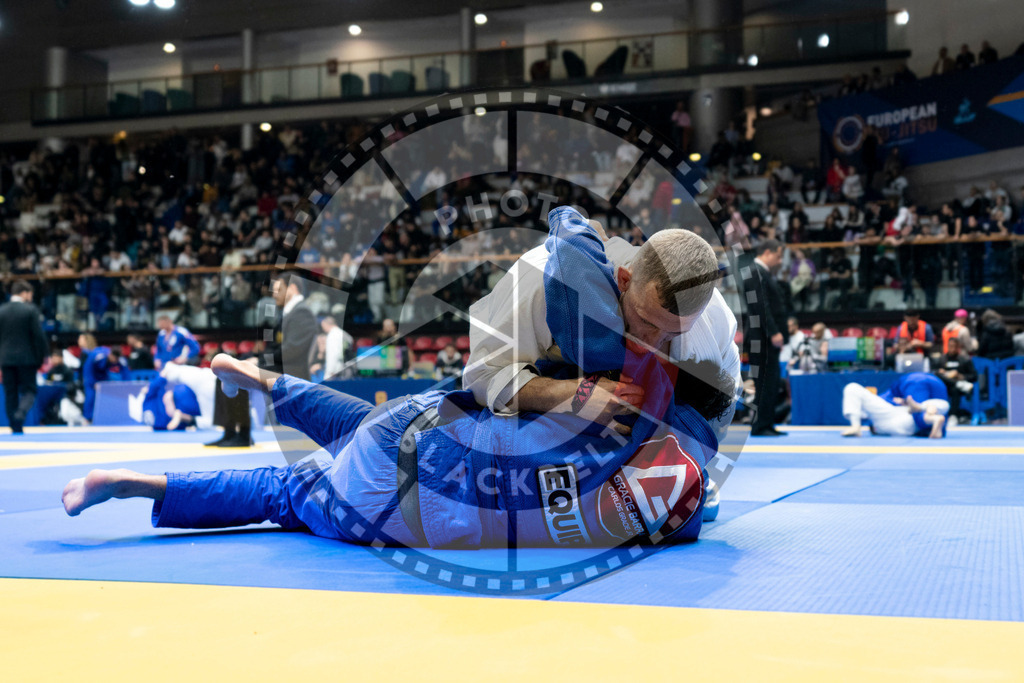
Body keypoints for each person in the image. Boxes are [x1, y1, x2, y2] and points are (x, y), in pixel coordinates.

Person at [63, 349, 730, 549]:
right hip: (410, 508)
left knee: (362, 423)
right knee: (281, 487)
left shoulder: (612, 394)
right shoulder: (680, 486)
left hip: (425, 434)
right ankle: (140, 483)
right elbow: (681, 501)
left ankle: (260, 377)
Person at [465, 206, 739, 438]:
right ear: (624, 280)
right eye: (647, 321)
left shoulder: (715, 320)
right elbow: (481, 378)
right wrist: (566, 395)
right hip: (540, 431)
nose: (652, 344)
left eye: (672, 334)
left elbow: (713, 425)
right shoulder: (539, 285)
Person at [744, 239, 788, 436]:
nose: (779, 260)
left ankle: (767, 423)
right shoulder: (755, 272)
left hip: (763, 337)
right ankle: (761, 425)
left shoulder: (761, 273)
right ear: (767, 252)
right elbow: (760, 306)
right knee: (764, 381)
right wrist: (773, 331)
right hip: (761, 337)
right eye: (778, 255)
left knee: (770, 381)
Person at [0, 280, 48, 434]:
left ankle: (15, 426)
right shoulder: (30, 310)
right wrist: (42, 357)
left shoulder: (2, 310)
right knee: (29, 391)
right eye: (30, 294)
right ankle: (21, 413)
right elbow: (38, 337)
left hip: (6, 359)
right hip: (27, 359)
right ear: (25, 293)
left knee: (10, 392)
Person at [841, 373, 950, 439]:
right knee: (942, 405)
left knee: (852, 387)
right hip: (906, 420)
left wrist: (903, 403)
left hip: (900, 416)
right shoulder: (880, 424)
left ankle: (855, 426)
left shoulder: (879, 421)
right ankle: (927, 412)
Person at [129, 363, 218, 432]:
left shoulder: (155, 424)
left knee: (210, 423)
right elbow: (164, 374)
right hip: (185, 397)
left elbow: (173, 426)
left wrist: (178, 415)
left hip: (190, 406)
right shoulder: (147, 402)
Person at [78, 333, 129, 424]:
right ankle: (87, 418)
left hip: (103, 374)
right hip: (90, 374)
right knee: (91, 395)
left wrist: (127, 385)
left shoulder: (120, 359)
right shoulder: (98, 355)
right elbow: (89, 369)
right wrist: (93, 383)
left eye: (116, 360)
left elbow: (125, 372)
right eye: (114, 359)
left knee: (107, 393)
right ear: (110, 355)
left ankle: (105, 417)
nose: (115, 362)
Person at [935, 337, 977, 422]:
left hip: (959, 388)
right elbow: (935, 373)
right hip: (945, 385)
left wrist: (960, 376)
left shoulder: (964, 360)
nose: (952, 348)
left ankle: (953, 415)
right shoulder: (942, 359)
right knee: (938, 374)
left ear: (958, 347)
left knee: (955, 389)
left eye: (955, 346)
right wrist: (946, 374)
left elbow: (974, 376)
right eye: (950, 346)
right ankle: (956, 383)